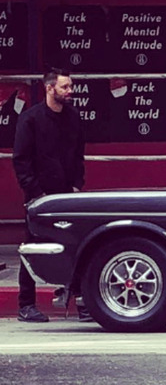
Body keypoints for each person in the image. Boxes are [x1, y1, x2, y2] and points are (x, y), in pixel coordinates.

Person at [12, 68, 90, 323]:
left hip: (68, 195)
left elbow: (79, 155)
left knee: (74, 246)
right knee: (33, 245)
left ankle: (81, 302)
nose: (70, 91)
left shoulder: (73, 117)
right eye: (65, 87)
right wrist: (36, 193)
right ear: (49, 88)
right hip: (40, 196)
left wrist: (77, 186)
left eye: (70, 86)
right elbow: (21, 161)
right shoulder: (31, 119)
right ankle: (26, 305)